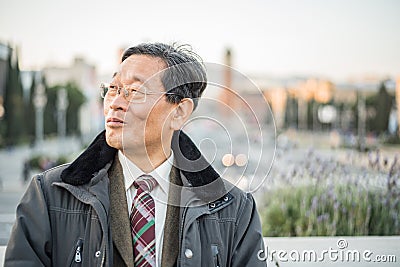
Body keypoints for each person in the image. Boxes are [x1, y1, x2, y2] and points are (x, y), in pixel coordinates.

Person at [5, 43, 266, 267]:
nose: (115, 102)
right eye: (114, 88)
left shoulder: (234, 210)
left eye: (134, 92)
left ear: (179, 112)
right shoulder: (49, 196)